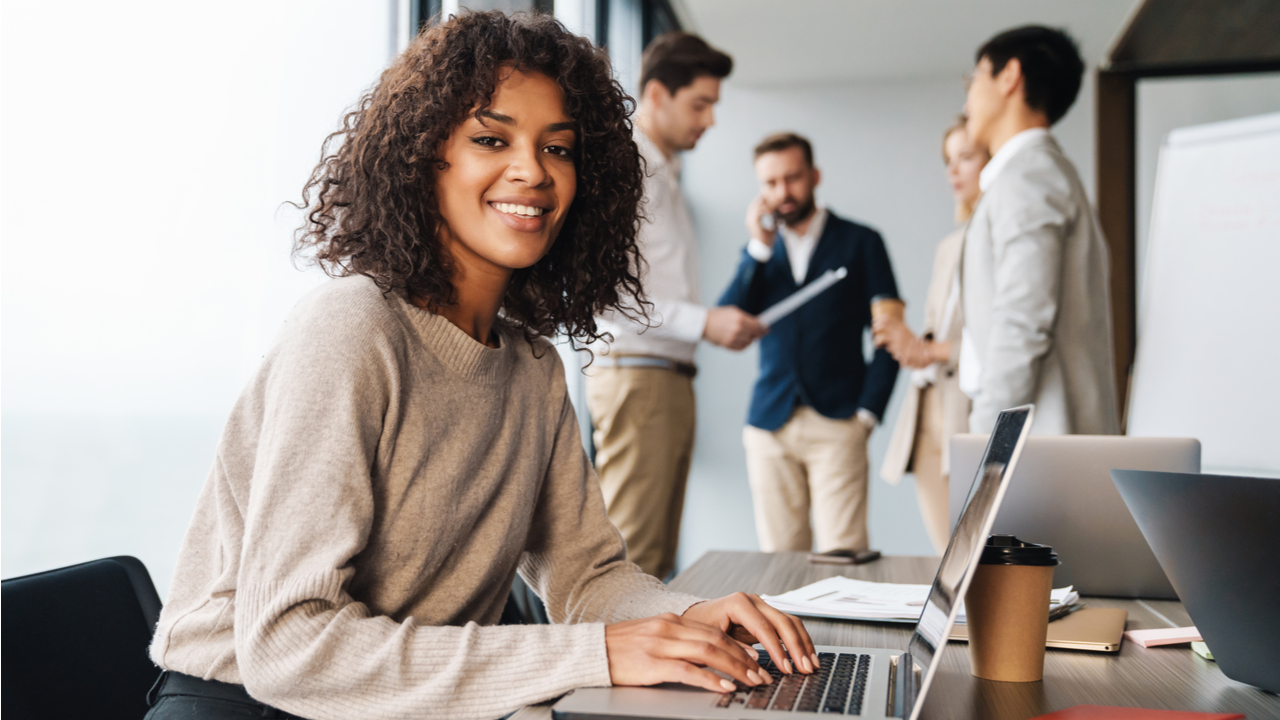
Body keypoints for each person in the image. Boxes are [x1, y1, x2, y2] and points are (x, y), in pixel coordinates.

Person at [145, 13, 817, 720]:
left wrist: (691, 619)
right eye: (491, 139)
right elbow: (289, 647)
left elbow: (587, 575)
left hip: (403, 702)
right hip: (247, 704)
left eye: (558, 148)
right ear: (423, 156)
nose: (532, 170)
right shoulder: (350, 328)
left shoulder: (532, 367)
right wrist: (600, 653)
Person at [587, 32, 763, 580]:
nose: (709, 120)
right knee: (633, 560)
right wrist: (704, 321)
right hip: (641, 376)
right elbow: (607, 294)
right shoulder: (632, 168)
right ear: (657, 95)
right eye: (700, 104)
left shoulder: (664, 172)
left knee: (654, 561)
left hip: (664, 377)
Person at [718, 132, 900, 554]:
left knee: (844, 555)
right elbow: (726, 322)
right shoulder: (761, 253)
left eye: (793, 178)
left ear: (814, 176)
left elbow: (891, 334)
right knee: (779, 560)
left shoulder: (861, 241)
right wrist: (757, 249)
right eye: (770, 183)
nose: (783, 192)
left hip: (838, 421)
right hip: (769, 423)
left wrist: (868, 414)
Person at [958, 25, 1120, 435]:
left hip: (1038, 440)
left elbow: (1023, 319)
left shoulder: (1030, 176)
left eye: (974, 79)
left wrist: (984, 434)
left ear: (1010, 76)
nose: (967, 100)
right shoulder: (1038, 173)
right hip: (1043, 437)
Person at [875, 119, 988, 554]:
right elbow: (936, 331)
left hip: (969, 410)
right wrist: (906, 342)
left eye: (965, 157)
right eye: (948, 161)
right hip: (926, 413)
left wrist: (927, 349)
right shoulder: (950, 246)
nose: (952, 171)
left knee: (977, 556)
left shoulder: (1001, 242)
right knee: (947, 556)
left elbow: (1004, 341)